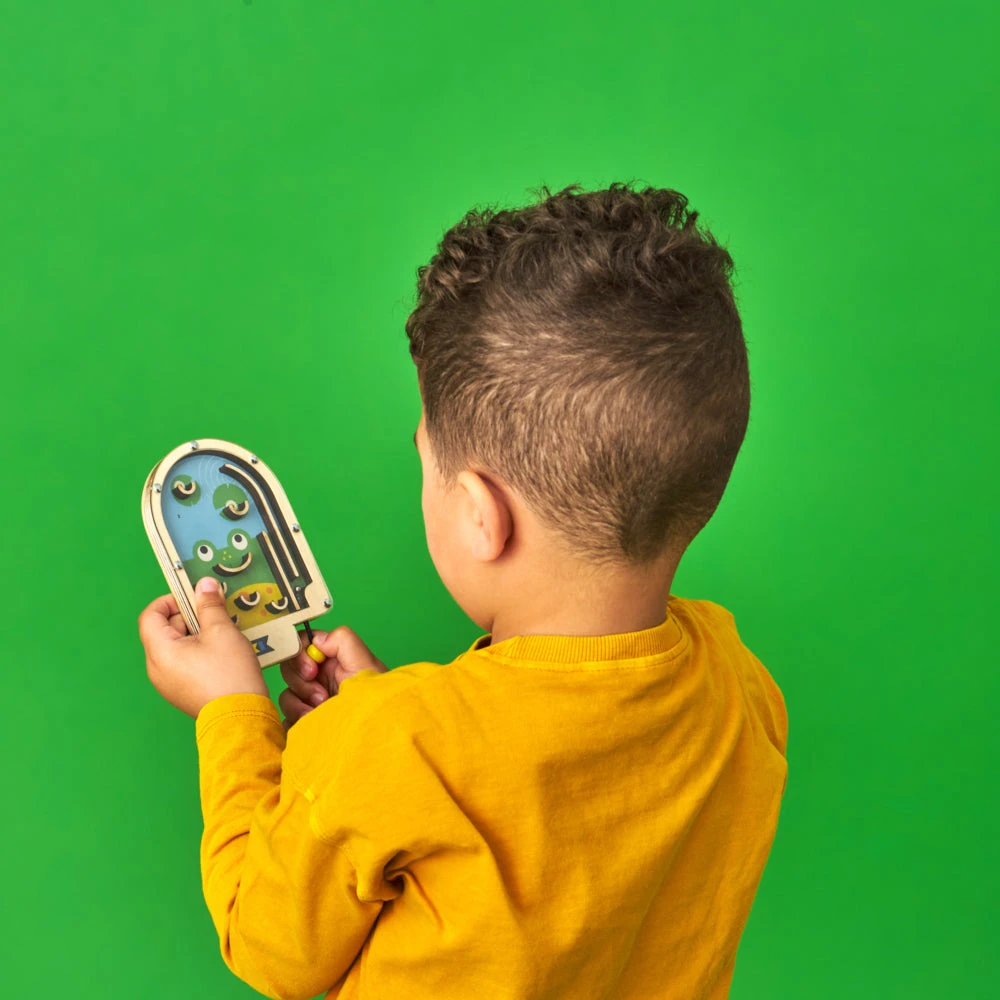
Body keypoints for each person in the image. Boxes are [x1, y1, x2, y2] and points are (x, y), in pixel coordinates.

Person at [138, 181, 789, 1000]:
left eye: (426, 459)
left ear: (483, 514)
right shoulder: (739, 683)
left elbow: (267, 943)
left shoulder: (398, 744)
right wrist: (382, 720)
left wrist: (233, 714)